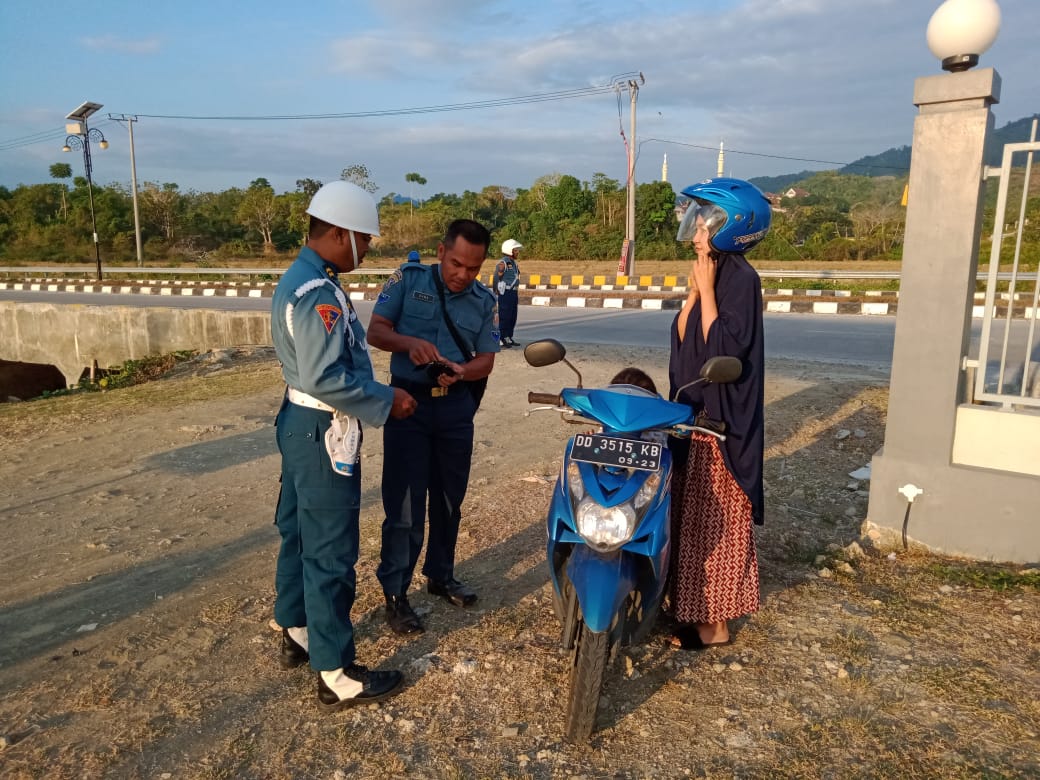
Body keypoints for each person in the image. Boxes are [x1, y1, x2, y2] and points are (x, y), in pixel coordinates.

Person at [270, 180, 418, 709]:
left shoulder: (305, 279)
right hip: (320, 429)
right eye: (364, 238)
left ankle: (295, 628)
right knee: (330, 550)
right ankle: (336, 673)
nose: (369, 247)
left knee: (298, 533)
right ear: (337, 233)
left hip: (299, 423)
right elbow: (324, 377)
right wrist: (386, 399)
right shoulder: (317, 295)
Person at [367, 219, 499, 634]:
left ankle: (440, 576)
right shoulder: (408, 281)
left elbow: (487, 359)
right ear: (441, 252)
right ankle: (396, 594)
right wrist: (411, 344)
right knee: (405, 506)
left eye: (473, 268)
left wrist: (461, 371)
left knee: (448, 500)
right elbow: (376, 331)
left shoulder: (483, 300)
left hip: (455, 410)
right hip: (408, 406)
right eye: (457, 263)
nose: (463, 275)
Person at [666, 177, 770, 651]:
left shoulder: (742, 279)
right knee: (689, 521)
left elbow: (724, 348)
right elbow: (685, 341)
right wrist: (693, 295)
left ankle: (717, 626)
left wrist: (707, 292)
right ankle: (690, 612)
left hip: (723, 426)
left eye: (705, 223)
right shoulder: (711, 272)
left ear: (733, 226)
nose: (696, 232)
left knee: (717, 526)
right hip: (694, 418)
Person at [493, 238, 522, 347]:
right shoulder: (503, 263)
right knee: (504, 316)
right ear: (509, 250)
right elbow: (496, 277)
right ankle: (500, 338)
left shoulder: (514, 263)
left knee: (512, 316)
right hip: (505, 293)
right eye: (515, 250)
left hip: (513, 293)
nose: (517, 252)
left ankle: (508, 336)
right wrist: (495, 291)